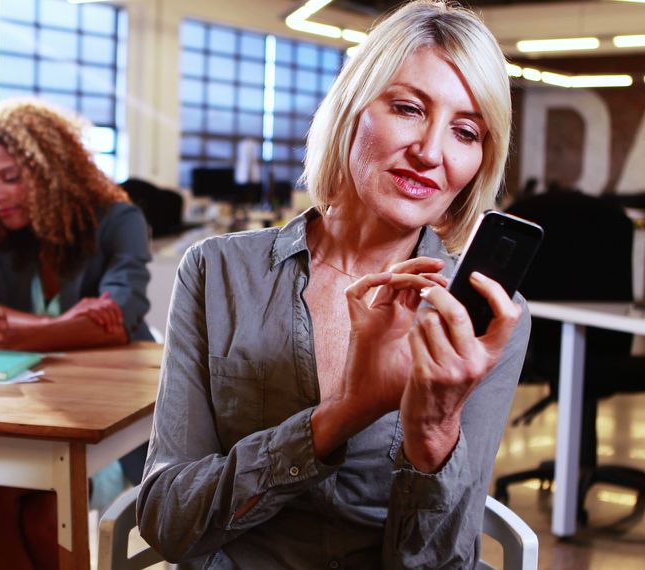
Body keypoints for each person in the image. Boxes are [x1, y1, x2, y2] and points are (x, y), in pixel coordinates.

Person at [137, 1, 531, 567]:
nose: (430, 151)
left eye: (465, 131)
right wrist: (340, 416)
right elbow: (168, 520)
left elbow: (443, 562)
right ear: (351, 109)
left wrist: (435, 430)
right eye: (407, 107)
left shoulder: (482, 318)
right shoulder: (219, 272)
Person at [0, 98, 152, 569]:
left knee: (42, 515)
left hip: (110, 427)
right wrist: (64, 325)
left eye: (12, 177)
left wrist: (18, 333)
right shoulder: (3, 241)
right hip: (33, 417)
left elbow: (119, 316)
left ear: (53, 167)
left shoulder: (119, 221)